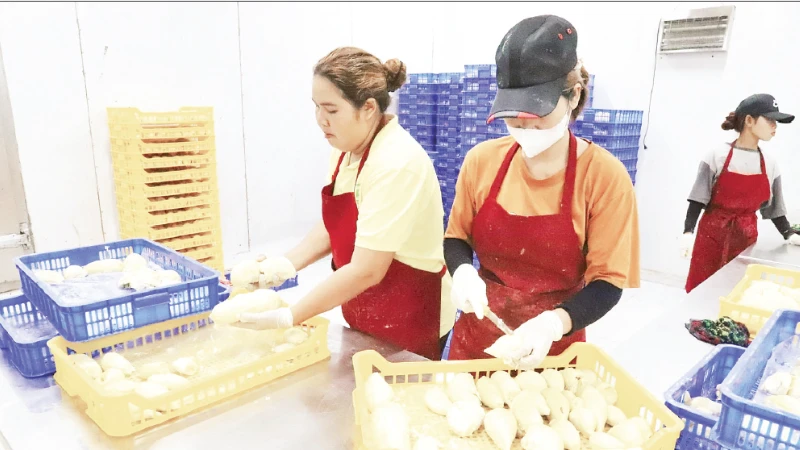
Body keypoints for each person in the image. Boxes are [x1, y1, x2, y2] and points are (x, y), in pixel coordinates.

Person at [443, 15, 640, 368]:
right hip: (477, 344)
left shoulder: (604, 177)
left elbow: (608, 284)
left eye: (538, 110)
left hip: (552, 353)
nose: (525, 123)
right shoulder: (481, 161)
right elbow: (456, 238)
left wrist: (552, 324)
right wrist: (462, 272)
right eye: (513, 113)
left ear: (573, 95)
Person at [232, 47, 455, 360]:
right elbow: (337, 224)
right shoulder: (344, 150)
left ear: (368, 108)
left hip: (410, 312)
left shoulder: (396, 163)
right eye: (316, 107)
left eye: (331, 110)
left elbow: (367, 270)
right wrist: (283, 265)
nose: (320, 120)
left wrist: (290, 315)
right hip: (365, 303)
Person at [682, 94, 798, 293]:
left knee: (736, 290)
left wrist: (788, 233)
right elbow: (698, 198)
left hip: (745, 239)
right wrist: (687, 232)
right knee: (702, 290)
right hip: (711, 236)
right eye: (769, 119)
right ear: (749, 120)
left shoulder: (770, 164)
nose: (774, 126)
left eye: (776, 122)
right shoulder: (717, 155)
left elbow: (774, 208)